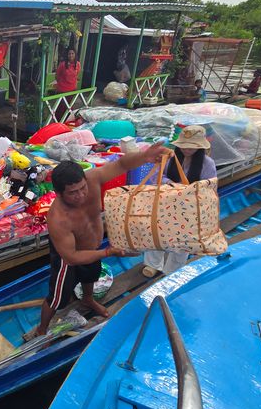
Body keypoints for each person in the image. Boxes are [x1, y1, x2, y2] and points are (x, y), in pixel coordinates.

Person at [28, 142, 170, 339]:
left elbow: (121, 165)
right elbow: (72, 256)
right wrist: (107, 252)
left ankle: (88, 299)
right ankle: (42, 329)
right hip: (68, 259)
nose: (81, 195)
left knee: (91, 274)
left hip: (94, 247)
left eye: (82, 188)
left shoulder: (93, 179)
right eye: (73, 192)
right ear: (59, 193)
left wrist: (145, 156)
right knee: (57, 298)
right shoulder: (58, 218)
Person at [141, 125, 216, 278]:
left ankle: (171, 270)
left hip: (191, 207)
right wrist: (169, 183)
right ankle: (153, 264)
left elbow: (210, 187)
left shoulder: (207, 164)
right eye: (184, 146)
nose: (186, 149)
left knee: (183, 239)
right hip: (167, 201)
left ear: (200, 147)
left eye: (191, 147)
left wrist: (189, 189)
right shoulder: (171, 158)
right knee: (156, 233)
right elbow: (159, 177)